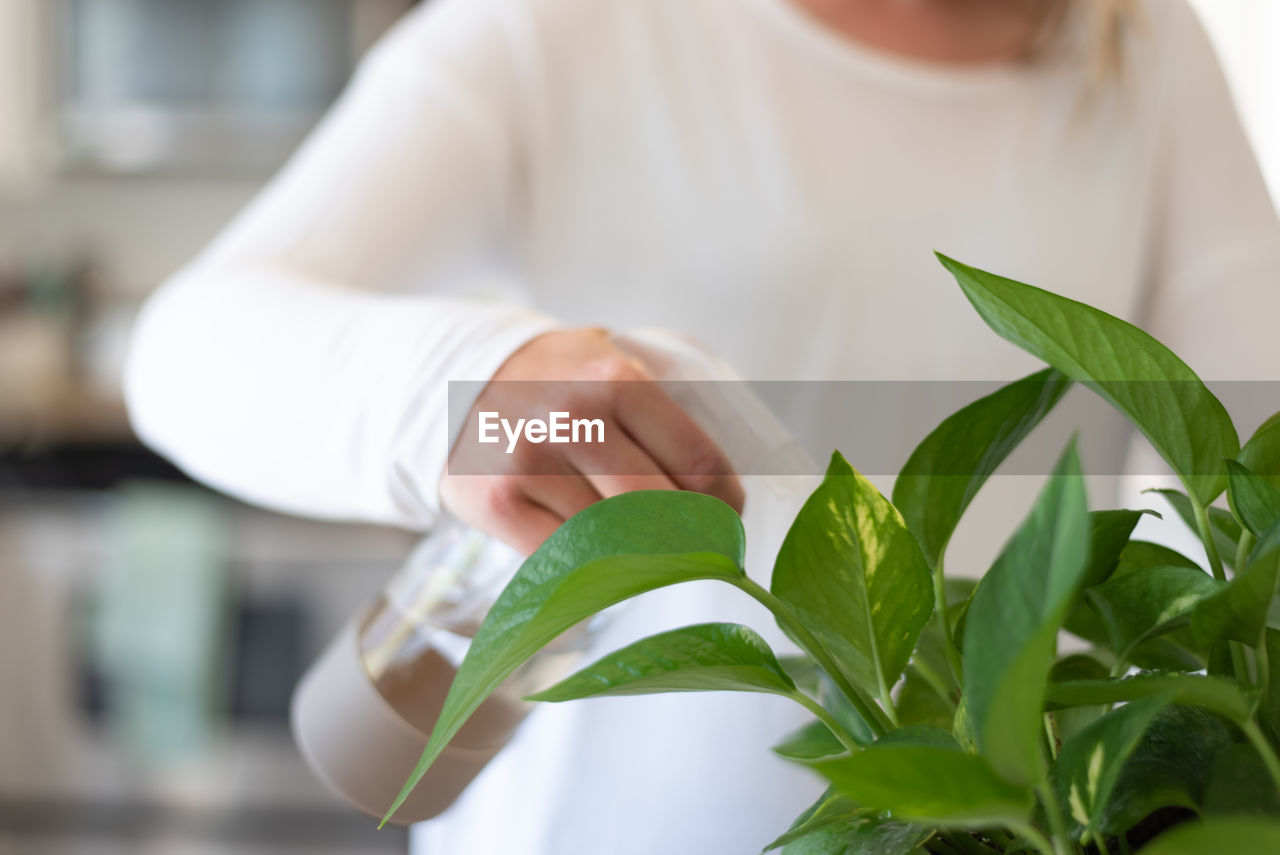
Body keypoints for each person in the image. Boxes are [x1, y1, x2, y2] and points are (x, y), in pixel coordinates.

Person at [124, 0, 1280, 852]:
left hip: (1007, 824)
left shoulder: (1137, 47)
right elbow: (187, 348)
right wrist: (469, 380)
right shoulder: (568, 29)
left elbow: (1248, 453)